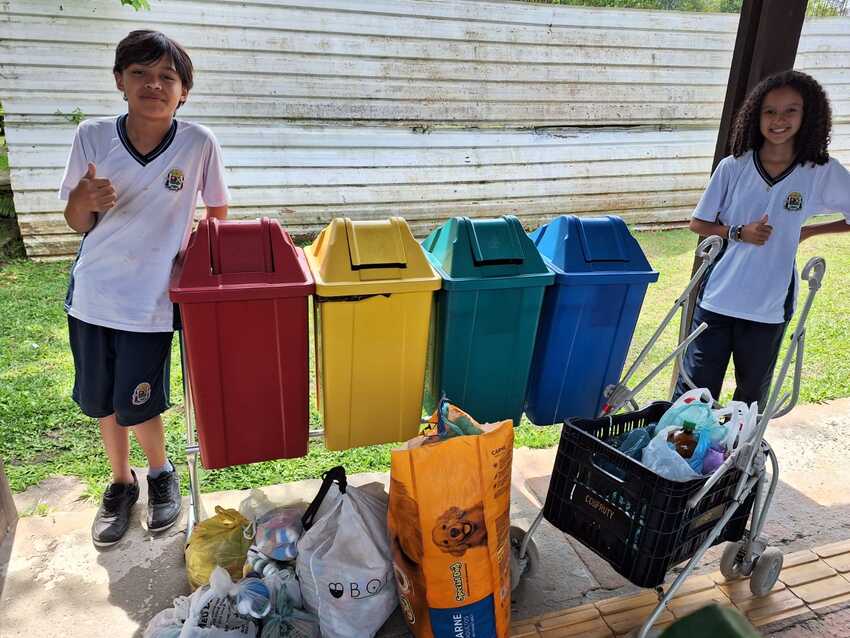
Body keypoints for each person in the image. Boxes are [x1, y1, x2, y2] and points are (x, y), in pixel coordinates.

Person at [59, 30, 229, 546]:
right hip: (93, 296)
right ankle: (120, 483)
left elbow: (218, 214)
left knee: (142, 399)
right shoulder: (92, 137)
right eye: (140, 74)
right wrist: (85, 197)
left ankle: (160, 475)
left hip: (151, 303)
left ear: (183, 91)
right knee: (102, 401)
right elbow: (74, 220)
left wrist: (198, 244)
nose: (153, 85)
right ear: (120, 81)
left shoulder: (199, 143)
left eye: (167, 77)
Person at [675, 70, 850, 408]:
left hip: (768, 308)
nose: (778, 120)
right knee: (693, 395)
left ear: (808, 114)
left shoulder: (820, 171)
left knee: (750, 401)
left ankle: (741, 460)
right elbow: (698, 223)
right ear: (756, 115)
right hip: (718, 300)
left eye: (790, 111)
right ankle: (678, 459)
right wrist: (739, 232)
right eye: (769, 111)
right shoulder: (734, 167)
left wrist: (811, 230)